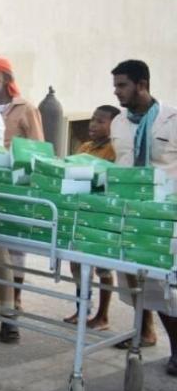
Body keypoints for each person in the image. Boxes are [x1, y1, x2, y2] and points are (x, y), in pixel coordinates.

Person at [109, 60, 177, 372]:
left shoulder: (171, 119)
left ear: (142, 84)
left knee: (163, 285)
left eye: (122, 85)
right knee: (132, 278)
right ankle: (145, 331)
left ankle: (176, 348)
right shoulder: (119, 123)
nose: (116, 91)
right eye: (115, 85)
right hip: (129, 211)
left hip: (163, 215)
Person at [0, 56, 44, 343]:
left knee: (14, 255)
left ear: (5, 79)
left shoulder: (25, 109)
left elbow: (38, 150)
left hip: (14, 190)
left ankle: (12, 313)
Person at [63, 105, 120, 330]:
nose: (93, 125)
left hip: (102, 216)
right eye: (92, 120)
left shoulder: (115, 150)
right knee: (77, 264)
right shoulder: (85, 147)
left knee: (103, 268)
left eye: (100, 121)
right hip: (80, 213)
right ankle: (82, 309)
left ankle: (102, 316)